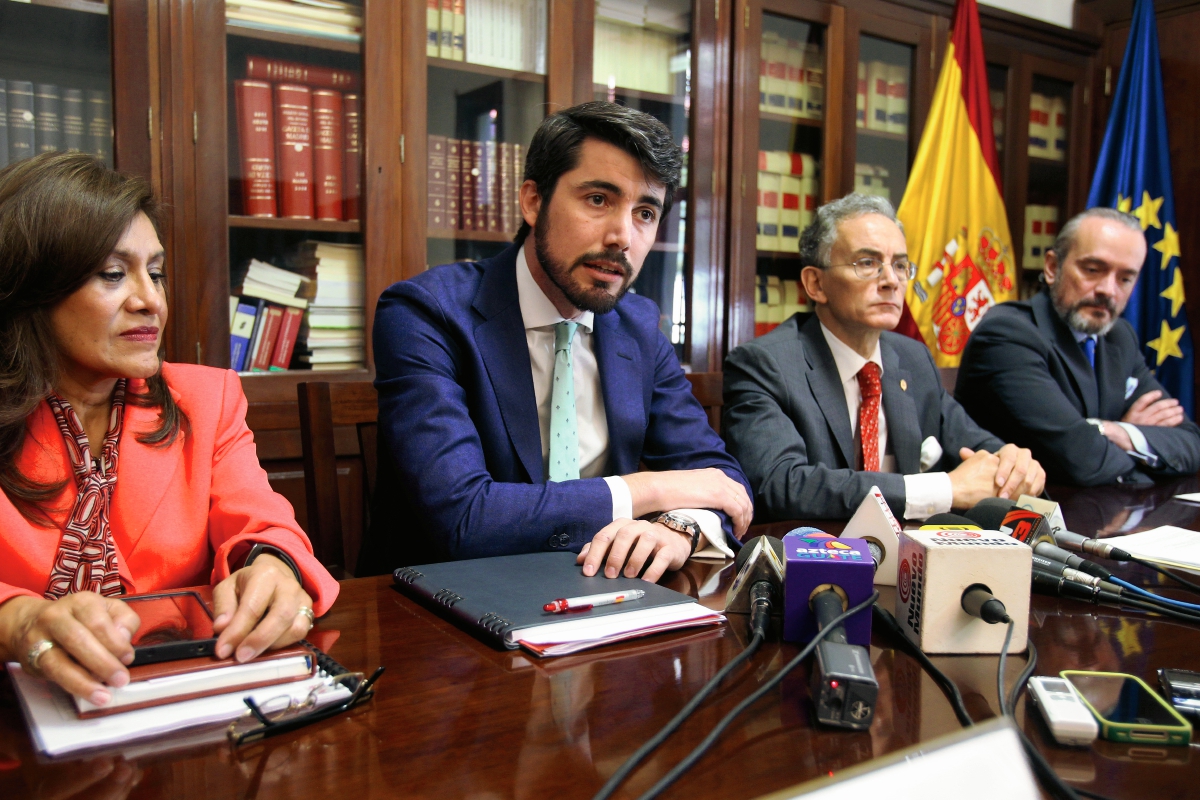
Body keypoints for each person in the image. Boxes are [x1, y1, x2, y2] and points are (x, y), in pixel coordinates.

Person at [0, 153, 339, 709]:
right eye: (113, 274)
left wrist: (271, 565)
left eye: (154, 273)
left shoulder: (205, 400)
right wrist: (15, 620)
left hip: (182, 707)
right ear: (35, 284)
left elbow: (261, 520)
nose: (151, 300)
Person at [362, 101, 752, 582]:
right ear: (532, 201)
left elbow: (722, 480)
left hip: (600, 596)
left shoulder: (637, 324)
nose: (622, 237)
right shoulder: (426, 312)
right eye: (597, 200)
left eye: (645, 213)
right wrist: (646, 491)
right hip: (445, 612)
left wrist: (678, 527)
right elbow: (462, 518)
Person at [723, 193, 1045, 521]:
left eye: (901, 265)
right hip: (814, 559)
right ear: (816, 283)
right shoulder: (765, 365)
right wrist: (944, 489)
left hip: (908, 560)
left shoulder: (912, 358)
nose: (891, 281)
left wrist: (1014, 464)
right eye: (867, 264)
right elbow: (781, 485)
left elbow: (976, 446)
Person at [955, 207, 1200, 486]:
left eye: (1125, 278)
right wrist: (1135, 442)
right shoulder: (1007, 334)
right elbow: (1082, 461)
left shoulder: (1119, 337)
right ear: (1052, 267)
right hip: (1016, 520)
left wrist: (1116, 431)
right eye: (1093, 270)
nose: (1108, 289)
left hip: (1103, 513)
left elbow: (1190, 444)